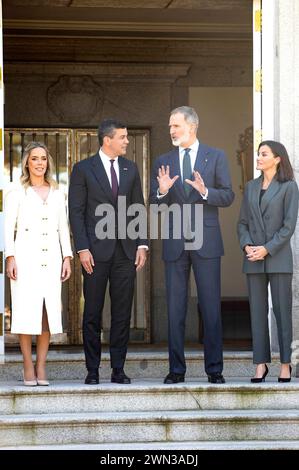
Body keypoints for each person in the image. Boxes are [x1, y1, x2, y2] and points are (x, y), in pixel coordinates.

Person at [150, 106, 234, 384]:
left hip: (207, 242)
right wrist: (162, 191)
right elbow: (153, 204)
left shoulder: (216, 156)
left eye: (175, 126)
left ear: (192, 127)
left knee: (210, 307)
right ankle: (176, 370)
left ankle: (215, 370)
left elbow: (228, 196)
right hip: (174, 242)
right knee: (175, 309)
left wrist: (206, 192)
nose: (171, 131)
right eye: (170, 126)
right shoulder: (163, 160)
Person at [69, 119, 147, 385]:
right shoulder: (82, 169)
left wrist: (142, 244)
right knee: (92, 313)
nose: (126, 141)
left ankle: (118, 369)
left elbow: (139, 208)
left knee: (122, 313)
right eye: (123, 137)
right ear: (107, 140)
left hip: (125, 253)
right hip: (94, 253)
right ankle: (92, 370)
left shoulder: (130, 168)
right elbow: (76, 213)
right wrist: (82, 248)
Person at [4, 142, 73, 386]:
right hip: (25, 260)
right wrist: (10, 257)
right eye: (35, 158)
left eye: (43, 158)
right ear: (27, 163)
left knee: (46, 314)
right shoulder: (16, 192)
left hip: (51, 259)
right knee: (25, 313)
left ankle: (41, 365)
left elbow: (63, 227)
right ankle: (27, 365)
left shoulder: (57, 192)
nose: (40, 163)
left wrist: (67, 257)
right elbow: (8, 227)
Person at [237, 140, 298, 383]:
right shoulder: (251, 187)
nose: (258, 158)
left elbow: (288, 226)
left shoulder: (289, 187)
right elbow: (242, 222)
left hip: (278, 257)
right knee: (257, 313)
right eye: (258, 154)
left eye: (264, 154)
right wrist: (247, 245)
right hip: (253, 258)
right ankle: (260, 364)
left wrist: (267, 249)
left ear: (277, 158)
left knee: (282, 312)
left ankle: (285, 364)